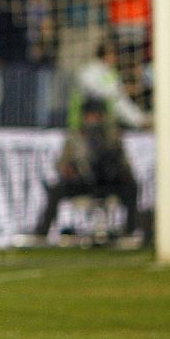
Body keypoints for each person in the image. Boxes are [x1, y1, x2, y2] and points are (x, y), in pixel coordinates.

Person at [36, 98, 141, 244]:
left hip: (107, 182)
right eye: (90, 116)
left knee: (132, 187)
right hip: (83, 182)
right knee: (55, 190)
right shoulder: (74, 137)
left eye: (96, 116)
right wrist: (68, 170)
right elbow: (61, 164)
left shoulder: (112, 137)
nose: (93, 120)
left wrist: (121, 173)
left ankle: (130, 231)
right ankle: (41, 233)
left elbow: (124, 163)